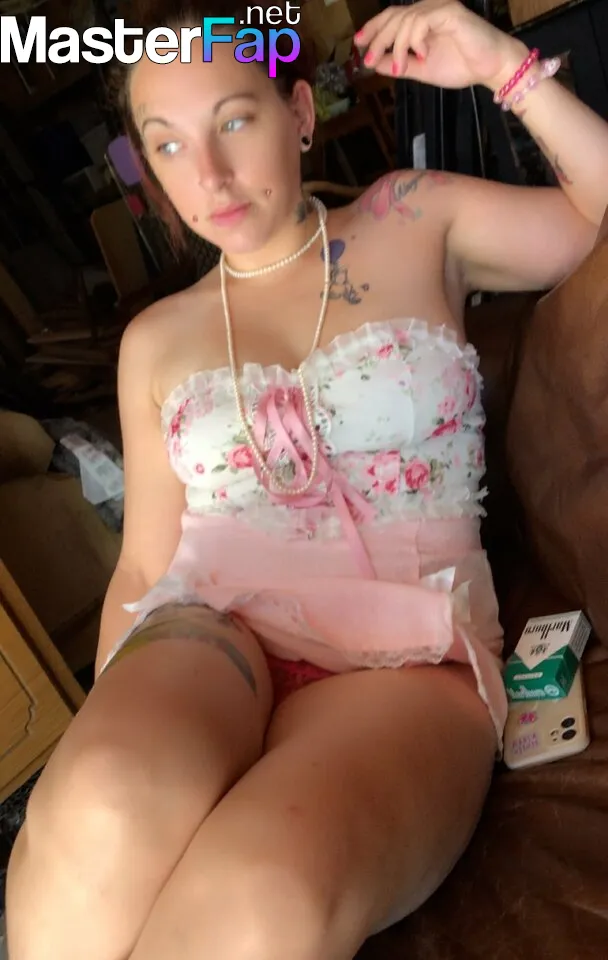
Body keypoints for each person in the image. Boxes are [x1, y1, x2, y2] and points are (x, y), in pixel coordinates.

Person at [6, 1, 608, 957]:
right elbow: (143, 568)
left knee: (262, 897)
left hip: (407, 650)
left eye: (234, 120)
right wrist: (124, 719)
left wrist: (503, 64)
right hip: (210, 625)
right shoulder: (155, 338)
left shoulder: (415, 218)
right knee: (104, 804)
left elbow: (599, 218)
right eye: (168, 145)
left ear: (296, 112)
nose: (207, 175)